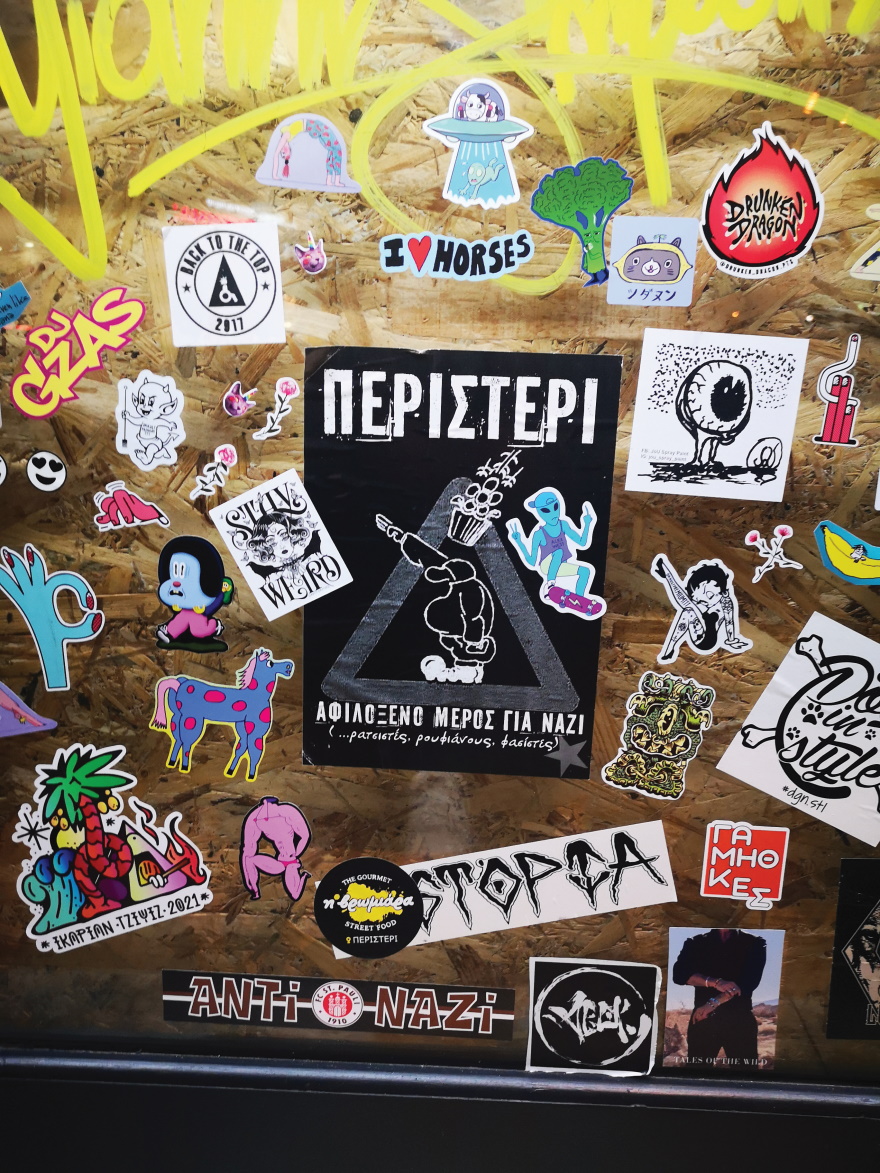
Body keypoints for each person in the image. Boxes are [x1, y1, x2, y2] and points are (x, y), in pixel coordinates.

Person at [672, 928, 767, 1064]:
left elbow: (748, 983)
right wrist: (716, 983)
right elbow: (679, 975)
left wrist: (712, 1003)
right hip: (703, 1021)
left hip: (739, 1021)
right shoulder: (695, 942)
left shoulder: (755, 942)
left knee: (744, 1072)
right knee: (697, 1072)